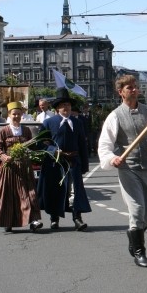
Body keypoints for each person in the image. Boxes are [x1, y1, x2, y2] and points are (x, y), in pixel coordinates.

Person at [98, 74, 147, 268]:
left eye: (135, 86)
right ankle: (140, 252)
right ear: (121, 92)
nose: (134, 90)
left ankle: (134, 236)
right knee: (137, 209)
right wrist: (113, 158)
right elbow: (105, 145)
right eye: (129, 87)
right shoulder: (115, 116)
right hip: (129, 169)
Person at [37, 88, 91, 231]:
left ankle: (77, 218)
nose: (66, 107)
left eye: (68, 105)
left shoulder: (77, 123)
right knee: (56, 189)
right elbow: (41, 143)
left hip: (73, 162)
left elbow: (82, 145)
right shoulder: (49, 123)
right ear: (57, 108)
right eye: (62, 105)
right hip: (55, 163)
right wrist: (54, 151)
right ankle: (54, 219)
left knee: (74, 191)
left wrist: (85, 164)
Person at [0, 101, 43, 233]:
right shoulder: (3, 131)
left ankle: (34, 220)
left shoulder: (26, 130)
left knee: (29, 193)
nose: (16, 117)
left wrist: (39, 145)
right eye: (14, 114)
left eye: (19, 114)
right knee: (9, 194)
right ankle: (7, 221)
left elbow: (31, 146)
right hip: (10, 167)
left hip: (24, 166)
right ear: (9, 114)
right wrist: (4, 157)